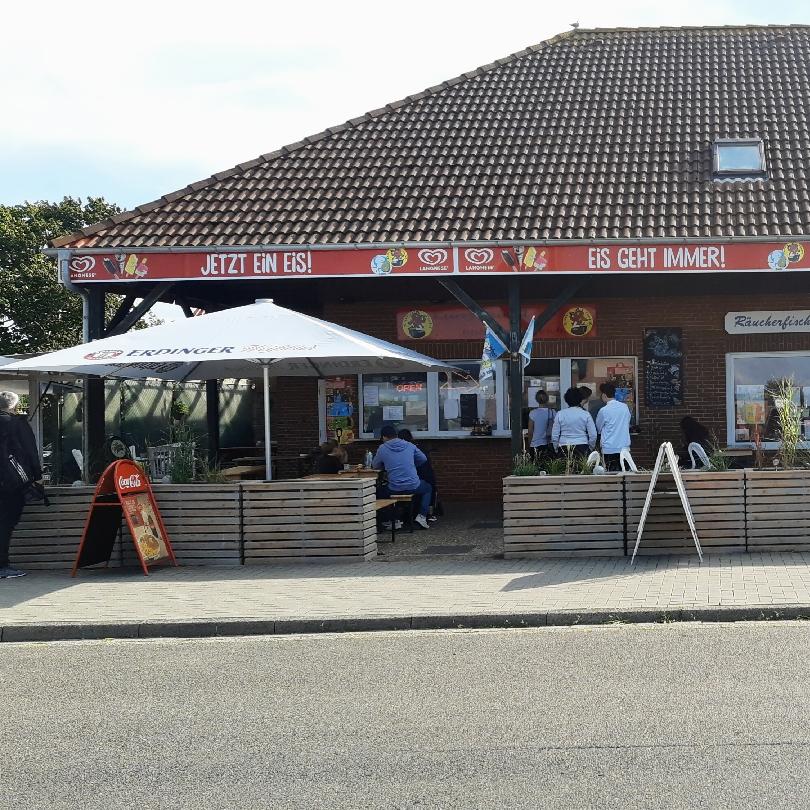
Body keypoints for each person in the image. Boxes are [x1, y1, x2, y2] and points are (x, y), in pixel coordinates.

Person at [0, 392, 42, 579]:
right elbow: (30, 451)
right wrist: (38, 476)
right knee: (6, 522)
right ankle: (2, 565)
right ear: (14, 406)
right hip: (11, 483)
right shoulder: (17, 424)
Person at [373, 424, 432, 529]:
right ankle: (422, 516)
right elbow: (423, 459)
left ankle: (393, 520)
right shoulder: (410, 445)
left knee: (378, 492)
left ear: (384, 437)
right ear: (396, 435)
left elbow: (375, 466)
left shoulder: (382, 448)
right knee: (428, 488)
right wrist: (413, 465)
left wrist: (386, 465)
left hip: (394, 488)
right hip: (413, 485)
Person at [398, 428, 440, 521]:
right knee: (427, 487)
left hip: (405, 482)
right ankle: (423, 515)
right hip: (422, 479)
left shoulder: (400, 451)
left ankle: (396, 518)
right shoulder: (417, 449)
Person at [595, 382, 632, 471]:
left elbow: (598, 428)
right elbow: (627, 422)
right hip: (624, 447)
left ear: (604, 395)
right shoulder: (625, 407)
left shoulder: (603, 410)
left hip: (609, 448)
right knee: (625, 475)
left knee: (610, 474)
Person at [552, 387, 597, 457]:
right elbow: (593, 435)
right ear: (580, 399)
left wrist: (556, 449)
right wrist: (590, 448)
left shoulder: (560, 414)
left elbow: (555, 435)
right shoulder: (585, 414)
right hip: (582, 446)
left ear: (566, 399)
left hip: (564, 447)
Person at [527, 390, 555, 461]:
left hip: (535, 444)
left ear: (536, 400)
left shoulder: (533, 413)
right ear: (547, 399)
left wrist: (529, 444)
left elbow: (530, 431)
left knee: (536, 467)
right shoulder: (553, 412)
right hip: (548, 443)